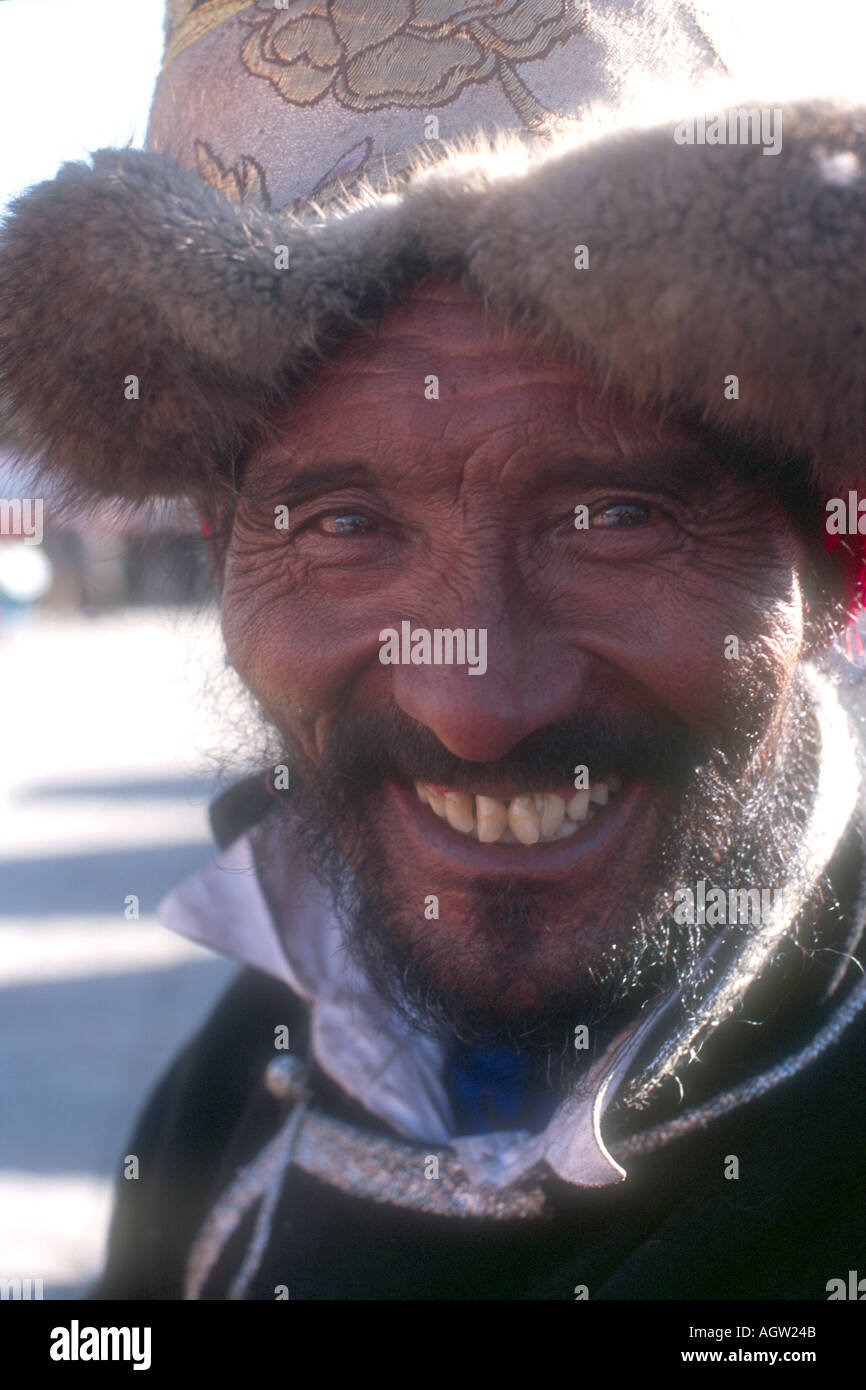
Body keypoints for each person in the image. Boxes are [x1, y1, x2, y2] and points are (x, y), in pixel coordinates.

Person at [2, 0, 866, 1301]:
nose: (476, 703)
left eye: (613, 516)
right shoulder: (233, 1089)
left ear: (814, 546)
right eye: (342, 524)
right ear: (220, 545)